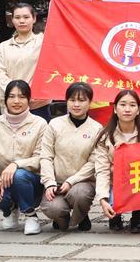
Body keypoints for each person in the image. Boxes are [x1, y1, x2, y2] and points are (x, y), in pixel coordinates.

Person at [0, 80, 47, 235]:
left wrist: (16, 164)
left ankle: (30, 215)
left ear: (29, 100)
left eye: (22, 97)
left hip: (31, 182)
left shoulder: (40, 124)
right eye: (11, 96)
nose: (16, 101)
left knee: (19, 175)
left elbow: (42, 157)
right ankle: (10, 209)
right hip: (4, 181)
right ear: (5, 100)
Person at [39, 82, 103, 231]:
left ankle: (81, 214)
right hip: (57, 183)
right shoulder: (54, 124)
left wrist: (71, 181)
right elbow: (46, 156)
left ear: (90, 102)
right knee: (53, 208)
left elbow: (94, 161)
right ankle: (63, 218)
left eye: (82, 100)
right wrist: (49, 183)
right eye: (72, 100)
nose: (76, 104)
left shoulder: (97, 128)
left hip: (82, 182)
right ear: (66, 101)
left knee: (80, 194)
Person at [92, 89, 140, 233]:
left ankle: (137, 216)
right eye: (122, 105)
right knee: (112, 203)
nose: (127, 109)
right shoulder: (105, 136)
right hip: (115, 183)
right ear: (115, 109)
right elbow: (102, 170)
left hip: (139, 182)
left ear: (138, 110)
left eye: (132, 105)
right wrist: (102, 199)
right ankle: (115, 216)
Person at [0, 3, 49, 119]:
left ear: (34, 19)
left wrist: (60, 4)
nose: (22, 21)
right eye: (17, 17)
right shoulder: (2, 48)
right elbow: (0, 74)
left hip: (37, 104)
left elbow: (61, 32)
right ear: (12, 20)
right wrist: (18, 94)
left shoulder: (44, 43)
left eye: (26, 17)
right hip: (11, 105)